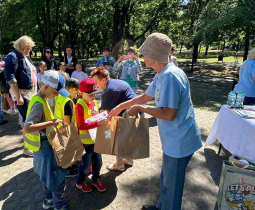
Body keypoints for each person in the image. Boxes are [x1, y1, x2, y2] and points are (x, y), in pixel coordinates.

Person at [109, 33, 202, 210]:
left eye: (144, 53)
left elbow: (168, 114)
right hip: (173, 139)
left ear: (153, 55)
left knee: (172, 186)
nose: (141, 56)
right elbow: (144, 97)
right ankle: (162, 206)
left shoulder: (170, 76)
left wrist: (141, 110)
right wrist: (120, 106)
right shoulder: (162, 74)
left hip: (180, 141)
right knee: (166, 178)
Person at [22, 71, 70, 210]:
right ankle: (58, 205)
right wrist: (52, 123)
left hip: (40, 147)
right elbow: (27, 128)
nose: (57, 95)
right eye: (56, 91)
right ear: (46, 86)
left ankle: (48, 201)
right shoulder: (38, 103)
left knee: (46, 175)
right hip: (46, 147)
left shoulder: (39, 99)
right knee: (57, 177)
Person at [90, 66, 137, 171]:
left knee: (119, 139)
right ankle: (129, 159)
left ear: (103, 80)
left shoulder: (109, 91)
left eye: (95, 82)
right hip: (134, 113)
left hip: (128, 115)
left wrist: (91, 120)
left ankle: (119, 164)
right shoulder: (116, 82)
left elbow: (104, 113)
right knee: (126, 138)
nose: (95, 85)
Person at [4, 35, 37, 156]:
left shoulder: (23, 56)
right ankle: (27, 147)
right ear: (20, 46)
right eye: (26, 48)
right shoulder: (12, 57)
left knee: (29, 118)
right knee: (28, 120)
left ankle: (29, 144)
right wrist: (18, 97)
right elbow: (11, 79)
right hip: (22, 94)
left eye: (29, 48)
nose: (28, 51)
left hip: (30, 93)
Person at [75, 78, 107, 193]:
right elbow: (81, 125)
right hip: (85, 143)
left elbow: (95, 115)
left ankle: (96, 179)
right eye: (90, 95)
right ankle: (80, 182)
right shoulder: (79, 106)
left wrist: (101, 118)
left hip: (95, 139)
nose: (93, 97)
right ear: (81, 93)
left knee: (98, 162)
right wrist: (98, 123)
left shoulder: (92, 102)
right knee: (85, 165)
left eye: (95, 94)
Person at [54, 78, 80, 177]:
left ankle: (64, 166)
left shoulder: (60, 97)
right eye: (77, 91)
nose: (77, 93)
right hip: (65, 130)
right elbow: (67, 120)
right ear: (72, 89)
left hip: (58, 128)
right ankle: (67, 170)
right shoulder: (68, 102)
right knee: (67, 151)